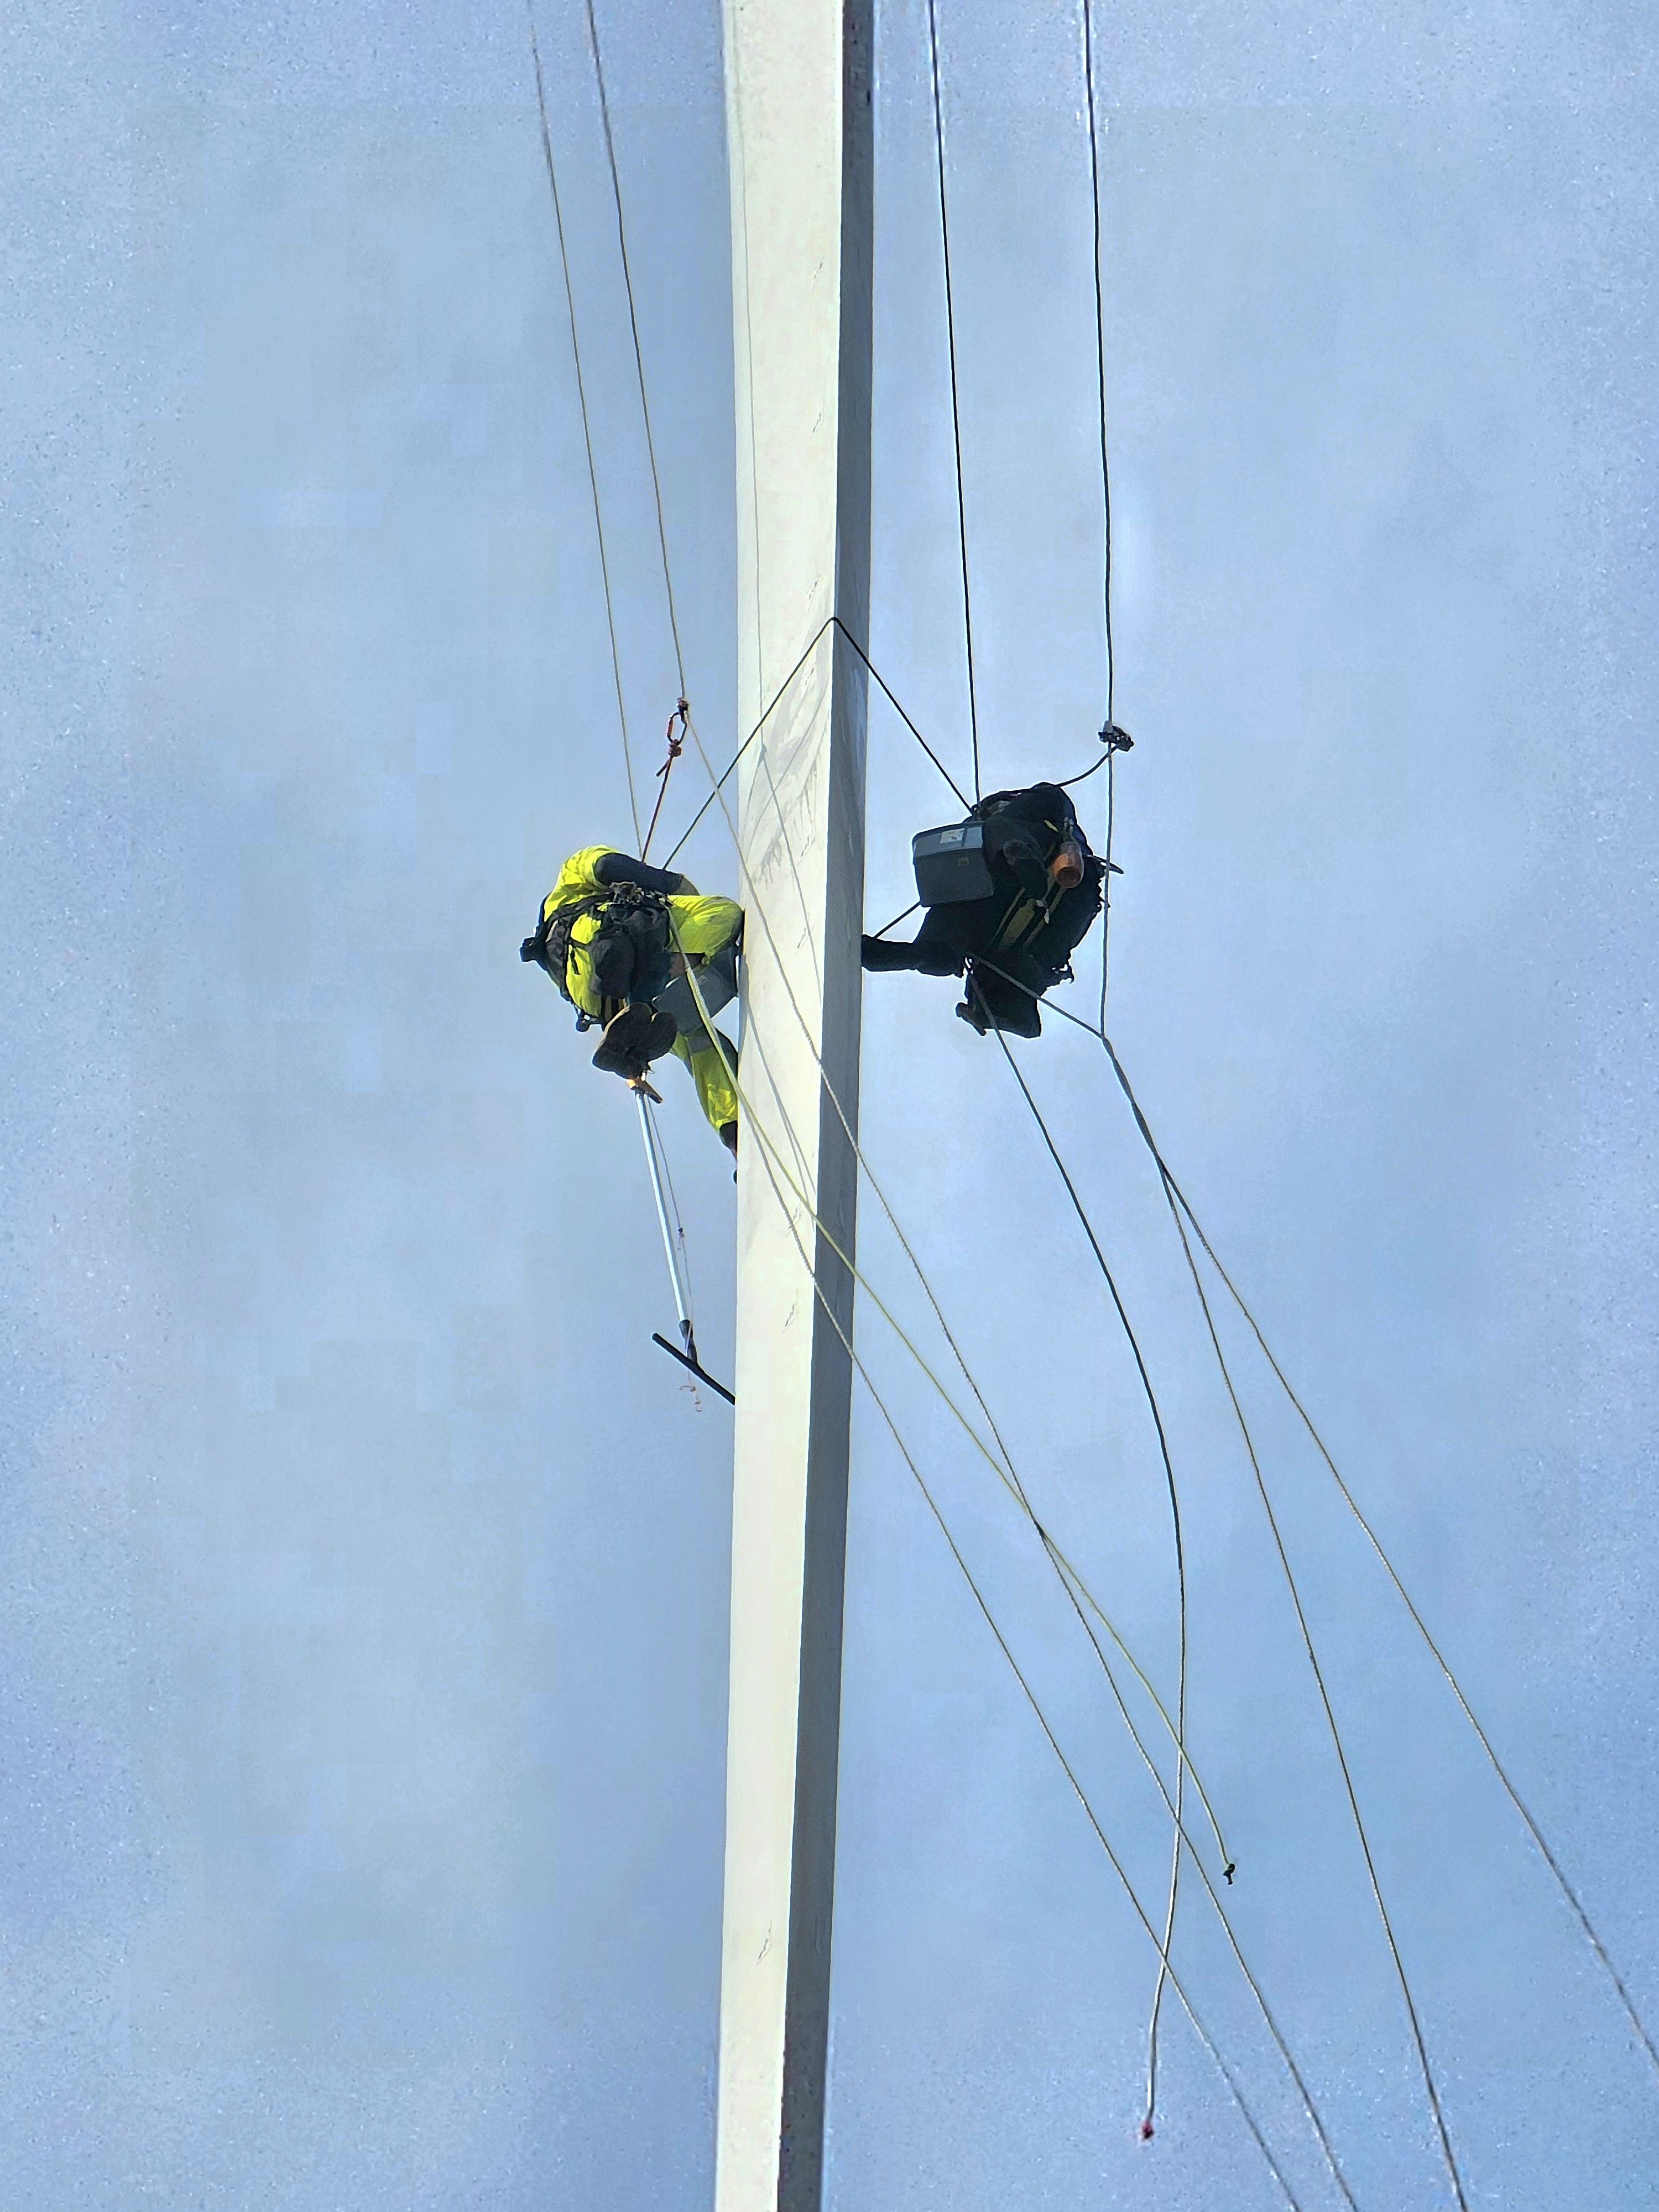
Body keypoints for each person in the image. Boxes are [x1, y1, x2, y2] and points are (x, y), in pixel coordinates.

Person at [521, 846, 743, 1152]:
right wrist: (677, 886)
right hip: (615, 941)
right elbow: (607, 866)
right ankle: (660, 975)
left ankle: (735, 1134)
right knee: (724, 914)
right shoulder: (571, 871)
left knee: (694, 1038)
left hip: (601, 1000)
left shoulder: (553, 942)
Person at [860, 782, 1105, 1037]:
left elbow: (1052, 798)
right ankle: (921, 959)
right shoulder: (1013, 820)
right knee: (964, 951)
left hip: (1022, 894)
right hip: (1024, 918)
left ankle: (918, 957)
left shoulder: (1026, 812)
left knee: (993, 844)